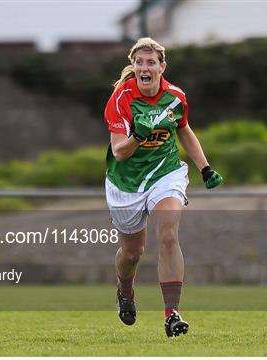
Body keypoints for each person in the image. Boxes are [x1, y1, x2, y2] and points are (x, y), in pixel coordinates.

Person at [104, 37, 223, 337]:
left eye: (151, 62)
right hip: (126, 183)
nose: (145, 68)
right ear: (133, 66)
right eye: (139, 62)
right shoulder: (120, 99)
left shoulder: (175, 97)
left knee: (169, 234)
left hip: (164, 172)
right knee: (132, 253)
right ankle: (125, 291)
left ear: (161, 67)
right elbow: (119, 152)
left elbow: (184, 130)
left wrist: (205, 168)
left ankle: (172, 314)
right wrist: (138, 136)